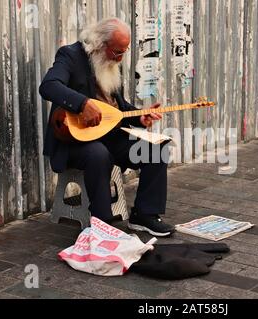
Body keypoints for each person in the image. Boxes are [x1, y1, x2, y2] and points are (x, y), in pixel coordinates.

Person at [39, 18, 175, 237]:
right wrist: (83, 104)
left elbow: (116, 109)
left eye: (124, 52)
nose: (120, 58)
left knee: (156, 149)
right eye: (116, 52)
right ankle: (103, 224)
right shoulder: (70, 56)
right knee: (98, 154)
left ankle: (145, 215)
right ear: (99, 44)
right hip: (74, 140)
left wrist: (140, 117)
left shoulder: (110, 64)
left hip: (109, 135)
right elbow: (48, 86)